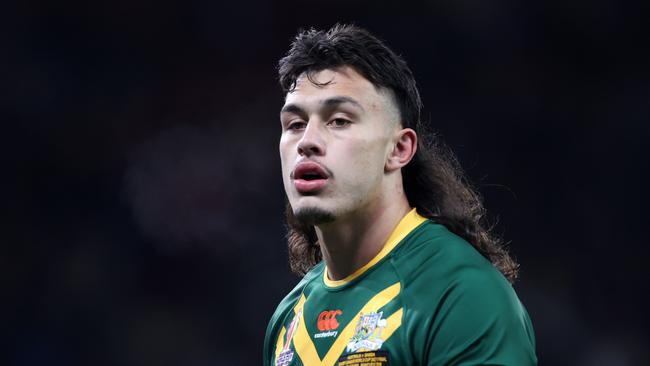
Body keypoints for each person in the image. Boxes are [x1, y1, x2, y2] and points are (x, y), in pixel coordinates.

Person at [264, 24, 537, 366]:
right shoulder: (289, 319)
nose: (307, 141)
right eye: (294, 124)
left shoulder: (462, 293)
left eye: (339, 120)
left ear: (399, 149)